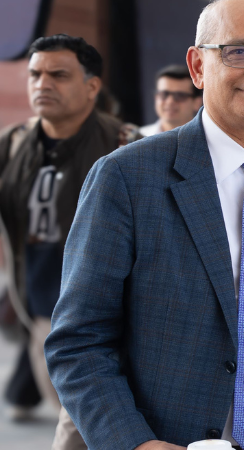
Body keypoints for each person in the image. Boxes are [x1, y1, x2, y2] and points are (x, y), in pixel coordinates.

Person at [45, 0, 244, 450]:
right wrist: (135, 444)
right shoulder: (127, 178)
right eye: (240, 51)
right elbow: (78, 344)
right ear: (198, 66)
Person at [0, 34, 138, 431]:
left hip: (102, 298)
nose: (42, 84)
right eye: (35, 74)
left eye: (58, 75)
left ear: (92, 86)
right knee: (70, 411)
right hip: (38, 287)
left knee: (82, 419)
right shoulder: (15, 143)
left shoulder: (125, 146)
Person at [139, 64, 203, 137]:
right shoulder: (135, 139)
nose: (170, 101)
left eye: (180, 95)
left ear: (197, 102)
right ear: (156, 97)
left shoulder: (208, 140)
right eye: (164, 94)